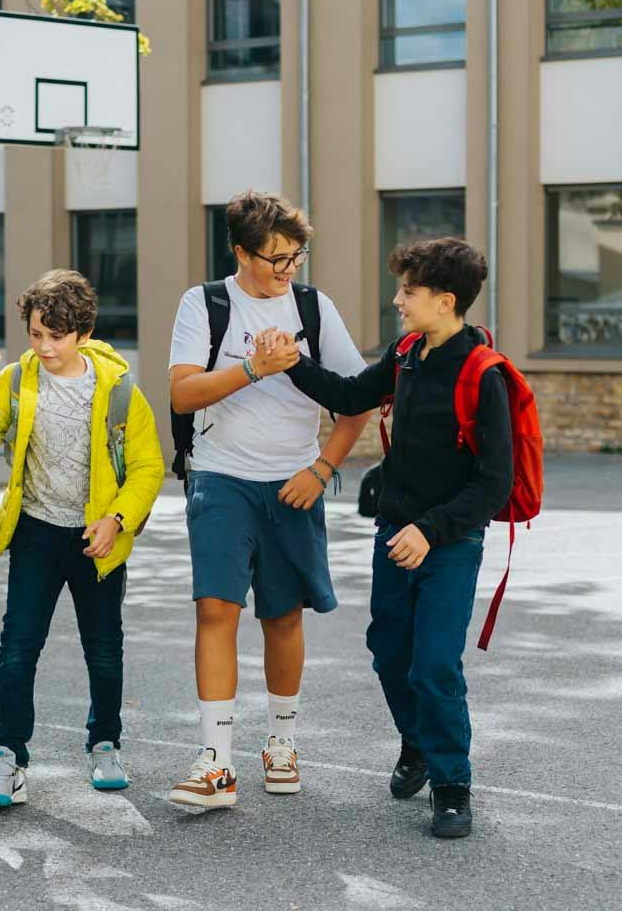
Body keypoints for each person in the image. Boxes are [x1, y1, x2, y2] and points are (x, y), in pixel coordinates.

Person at [269, 236, 513, 838]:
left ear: (445, 299)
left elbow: (495, 484)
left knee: (434, 664)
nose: (396, 300)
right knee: (389, 652)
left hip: (449, 543)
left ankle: (453, 785)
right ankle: (418, 744)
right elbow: (352, 395)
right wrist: (291, 363)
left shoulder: (484, 376)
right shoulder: (407, 354)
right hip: (393, 535)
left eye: (408, 291)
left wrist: (430, 531)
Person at [166, 190, 371, 809]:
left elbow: (356, 398)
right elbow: (182, 395)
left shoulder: (313, 306)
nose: (286, 270)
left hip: (291, 482)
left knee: (282, 617)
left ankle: (281, 743)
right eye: (274, 258)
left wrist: (323, 467)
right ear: (240, 252)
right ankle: (216, 762)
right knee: (215, 612)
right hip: (221, 478)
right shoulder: (204, 304)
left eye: (294, 257)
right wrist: (255, 368)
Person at [0, 270, 164, 807]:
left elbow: (147, 468)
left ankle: (105, 743)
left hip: (97, 538)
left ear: (83, 334)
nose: (43, 347)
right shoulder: (17, 382)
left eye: (56, 336)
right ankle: (8, 757)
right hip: (36, 532)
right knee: (18, 647)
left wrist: (115, 520)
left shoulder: (118, 390)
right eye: (36, 334)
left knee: (104, 649)